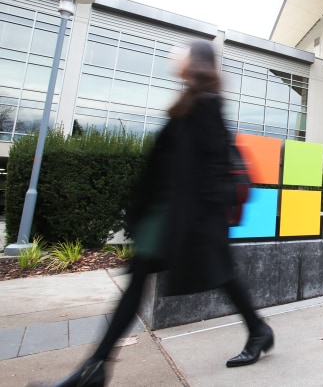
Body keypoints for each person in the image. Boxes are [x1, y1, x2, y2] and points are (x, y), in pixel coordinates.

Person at [41, 40, 273, 387]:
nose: (175, 55)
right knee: (158, 282)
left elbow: (208, 171)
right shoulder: (190, 103)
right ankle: (96, 367)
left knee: (220, 276)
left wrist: (195, 223)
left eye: (183, 52)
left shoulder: (206, 106)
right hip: (169, 217)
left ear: (196, 63)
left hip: (187, 220)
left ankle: (257, 330)